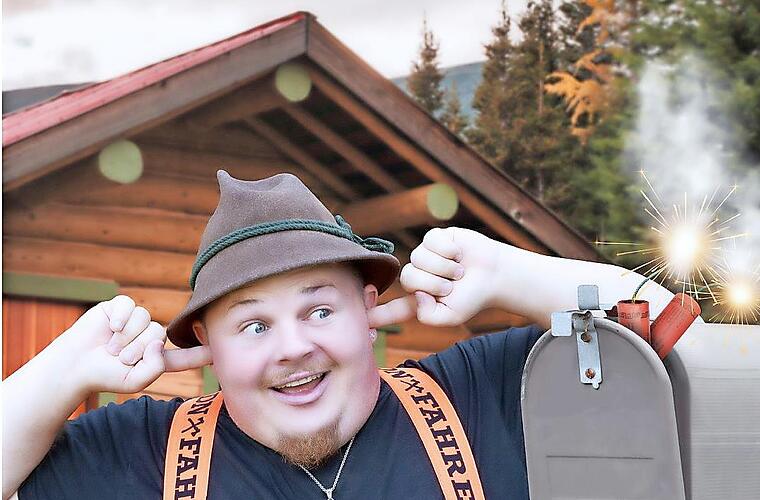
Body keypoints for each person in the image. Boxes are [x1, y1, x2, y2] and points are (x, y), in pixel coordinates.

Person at [2, 171, 683, 500]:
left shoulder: (481, 395)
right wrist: (63, 368)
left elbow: (679, 341)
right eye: (253, 325)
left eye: (320, 311)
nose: (293, 347)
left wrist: (509, 273)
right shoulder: (139, 455)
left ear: (368, 309)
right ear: (208, 344)